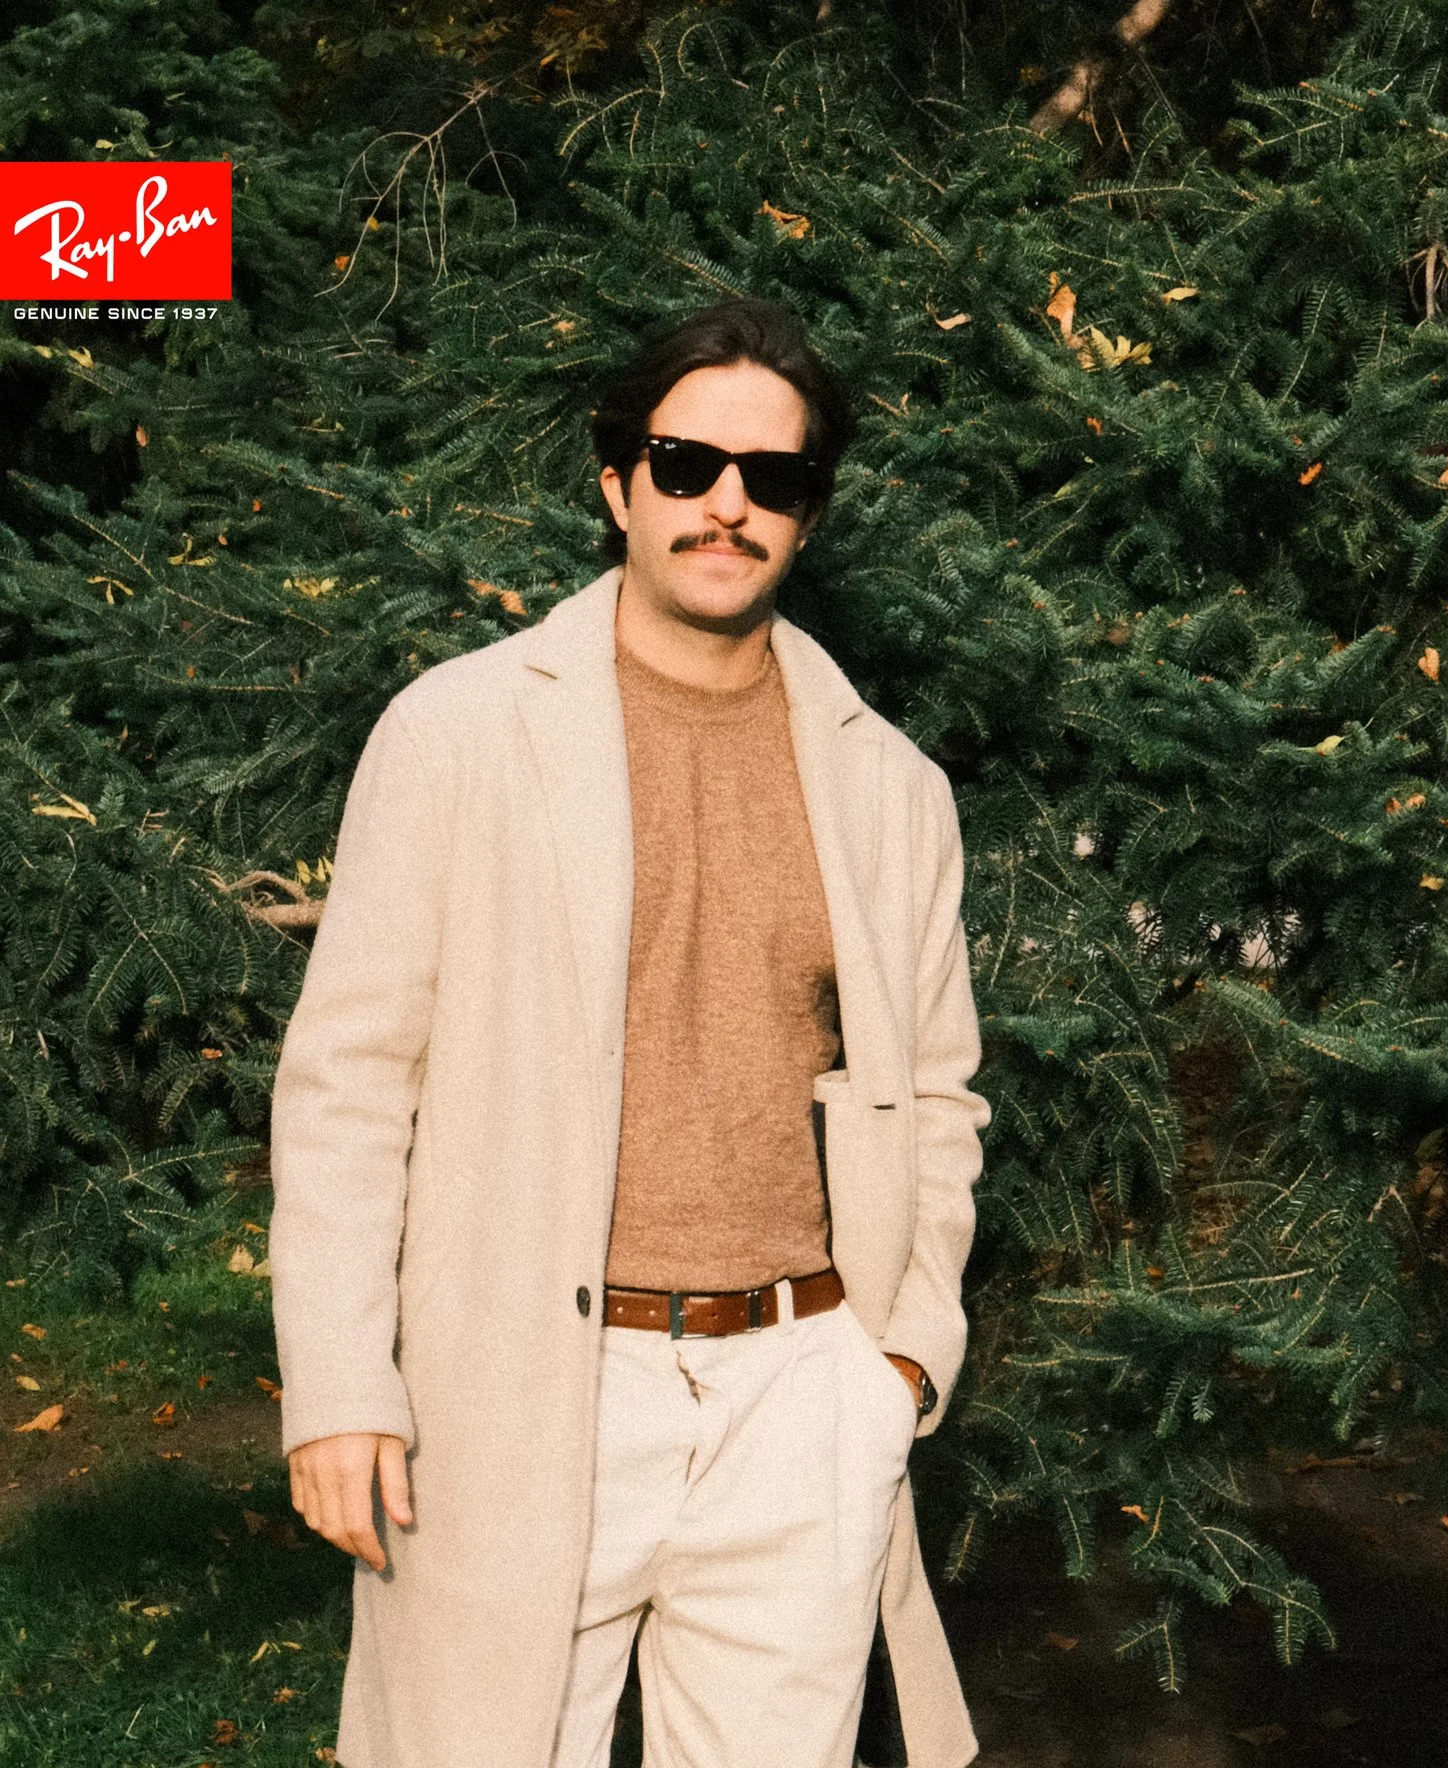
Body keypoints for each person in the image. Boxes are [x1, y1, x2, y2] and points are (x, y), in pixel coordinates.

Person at [269, 298, 989, 1768]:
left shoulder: (890, 784)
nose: (728, 505)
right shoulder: (461, 732)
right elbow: (349, 1083)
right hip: (527, 1376)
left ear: (806, 513)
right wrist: (342, 1387)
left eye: (772, 479)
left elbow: (942, 1088)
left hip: (801, 1385)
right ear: (617, 486)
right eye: (686, 463)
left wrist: (900, 1355)